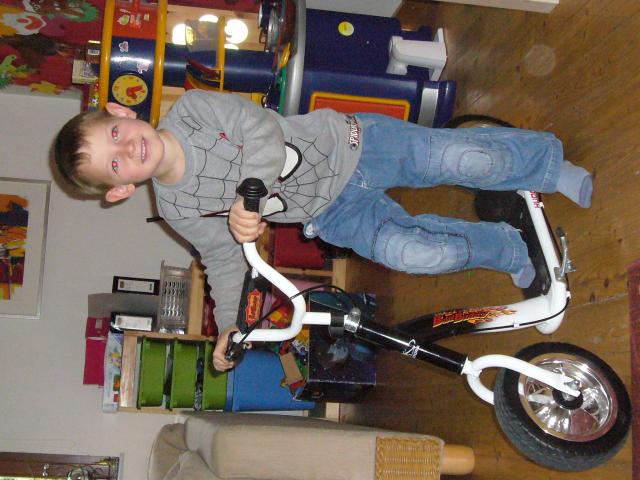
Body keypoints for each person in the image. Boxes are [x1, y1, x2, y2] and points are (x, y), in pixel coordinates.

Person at [53, 89, 592, 371]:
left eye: (116, 133)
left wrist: (247, 200)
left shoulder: (193, 111)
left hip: (354, 145)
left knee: (461, 158)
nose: (128, 149)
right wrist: (229, 326)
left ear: (122, 111)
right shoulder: (177, 208)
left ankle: (546, 165)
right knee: (414, 253)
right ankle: (506, 246)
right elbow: (222, 259)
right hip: (331, 212)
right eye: (115, 164)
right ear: (120, 191)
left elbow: (263, 134)